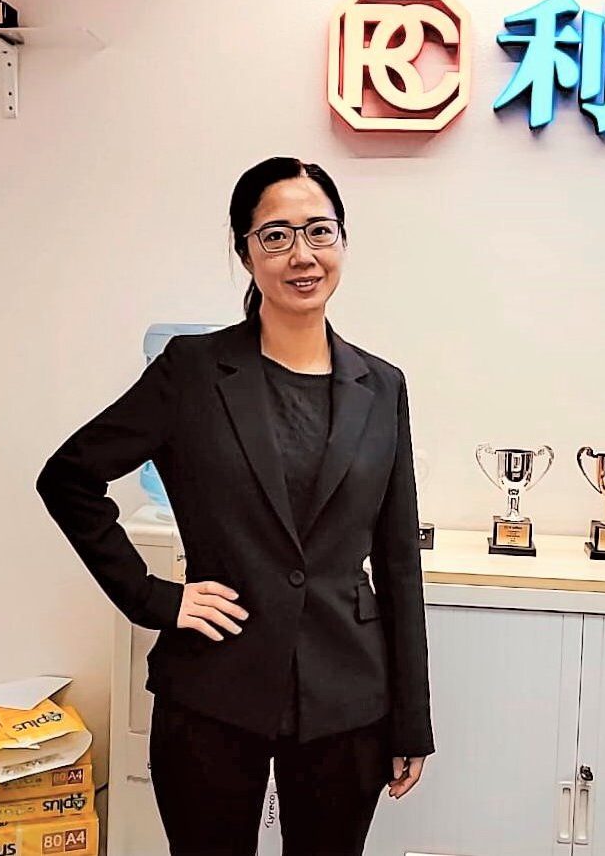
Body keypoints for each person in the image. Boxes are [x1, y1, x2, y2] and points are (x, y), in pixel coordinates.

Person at [36, 157, 434, 856]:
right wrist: (154, 599)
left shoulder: (383, 386)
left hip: (347, 694)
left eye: (319, 231)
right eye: (276, 236)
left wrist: (412, 718)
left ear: (342, 240)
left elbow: (398, 560)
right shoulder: (191, 371)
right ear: (246, 253)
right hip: (213, 687)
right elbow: (69, 478)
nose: (302, 255)